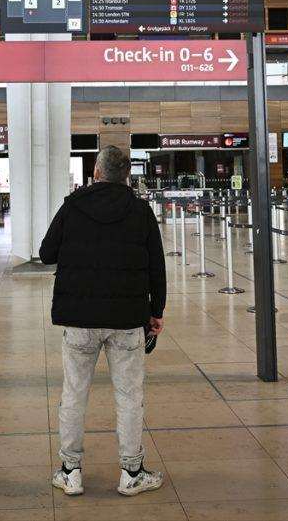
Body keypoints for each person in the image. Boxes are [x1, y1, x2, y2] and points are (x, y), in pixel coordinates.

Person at [39, 145, 166, 498]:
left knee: (74, 394)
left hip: (79, 320)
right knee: (129, 396)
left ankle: (70, 471)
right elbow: (157, 267)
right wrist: (157, 313)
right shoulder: (141, 211)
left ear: (96, 172)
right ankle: (131, 472)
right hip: (127, 320)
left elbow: (46, 252)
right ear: (126, 175)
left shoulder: (73, 207)